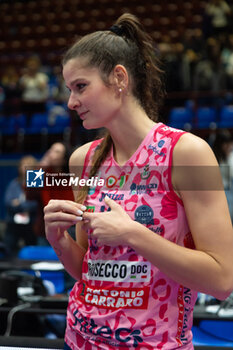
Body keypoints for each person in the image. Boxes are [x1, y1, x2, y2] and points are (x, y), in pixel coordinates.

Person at [44, 13, 233, 349]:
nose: (71, 102)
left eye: (80, 86)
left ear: (119, 78)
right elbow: (89, 269)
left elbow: (222, 280)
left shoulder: (190, 152)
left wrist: (132, 233)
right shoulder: (81, 160)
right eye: (69, 89)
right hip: (79, 340)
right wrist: (58, 241)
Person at [4, 155, 38, 257]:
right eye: (23, 165)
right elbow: (8, 202)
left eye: (28, 165)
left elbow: (35, 204)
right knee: (8, 247)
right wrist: (25, 205)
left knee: (32, 248)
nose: (25, 167)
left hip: (31, 222)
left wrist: (19, 204)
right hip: (13, 221)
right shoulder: (14, 183)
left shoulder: (36, 182)